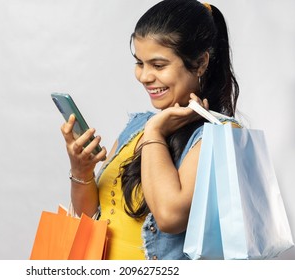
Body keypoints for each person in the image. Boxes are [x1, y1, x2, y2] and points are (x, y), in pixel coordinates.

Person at [60, 0, 239, 260]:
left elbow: (169, 217)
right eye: (140, 63)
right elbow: (90, 216)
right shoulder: (136, 127)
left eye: (158, 65)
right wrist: (81, 170)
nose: (144, 76)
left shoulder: (218, 135)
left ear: (200, 63)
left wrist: (155, 132)